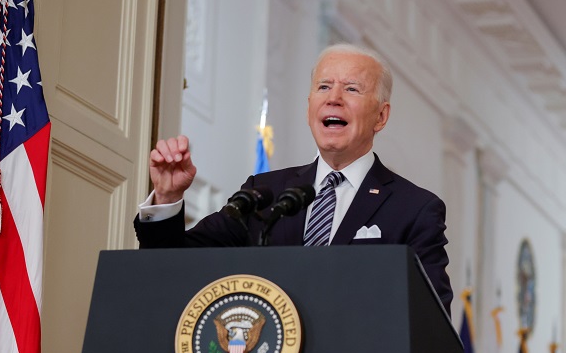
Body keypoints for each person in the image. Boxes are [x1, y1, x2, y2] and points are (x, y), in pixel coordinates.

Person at [134, 43, 453, 313]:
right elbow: (172, 266)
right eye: (324, 87)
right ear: (310, 106)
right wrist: (166, 198)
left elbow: (429, 317)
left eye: (352, 89)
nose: (334, 98)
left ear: (381, 116)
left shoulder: (415, 208)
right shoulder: (263, 193)